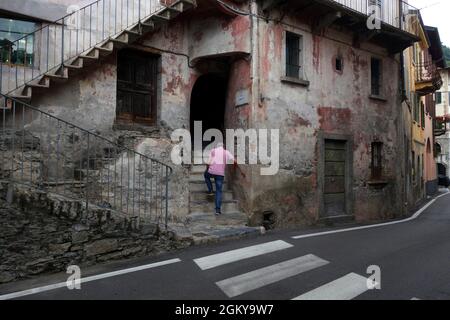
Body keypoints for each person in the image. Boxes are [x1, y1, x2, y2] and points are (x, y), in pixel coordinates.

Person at [204, 142, 235, 215]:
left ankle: (210, 190)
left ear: (216, 147)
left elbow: (208, 163)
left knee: (206, 176)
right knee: (219, 191)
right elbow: (234, 160)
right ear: (223, 147)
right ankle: (218, 210)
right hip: (220, 174)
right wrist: (233, 169)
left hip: (211, 171)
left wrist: (207, 169)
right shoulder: (226, 152)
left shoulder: (213, 150)